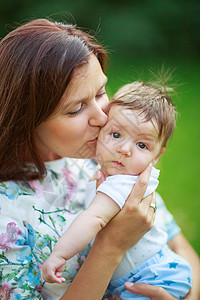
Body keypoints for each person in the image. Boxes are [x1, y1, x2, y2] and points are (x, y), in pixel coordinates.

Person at [0, 18, 199, 300]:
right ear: (26, 117)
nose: (103, 117)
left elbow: (181, 249)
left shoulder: (106, 156)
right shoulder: (7, 217)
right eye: (76, 108)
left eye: (101, 92)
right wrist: (111, 247)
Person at [42, 81, 192, 300]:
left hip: (151, 276)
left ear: (157, 156)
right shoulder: (113, 173)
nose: (124, 149)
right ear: (100, 133)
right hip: (154, 273)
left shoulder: (123, 184)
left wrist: (59, 254)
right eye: (116, 135)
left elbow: (93, 219)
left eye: (142, 145)